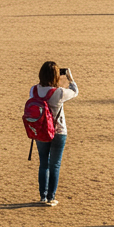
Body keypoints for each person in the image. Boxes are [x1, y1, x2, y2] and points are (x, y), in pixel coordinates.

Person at [30, 61, 78, 206]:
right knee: (55, 164)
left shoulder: (34, 90)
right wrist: (70, 78)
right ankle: (51, 198)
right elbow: (75, 91)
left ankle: (43, 196)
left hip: (40, 130)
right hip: (59, 131)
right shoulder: (59, 92)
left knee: (43, 164)